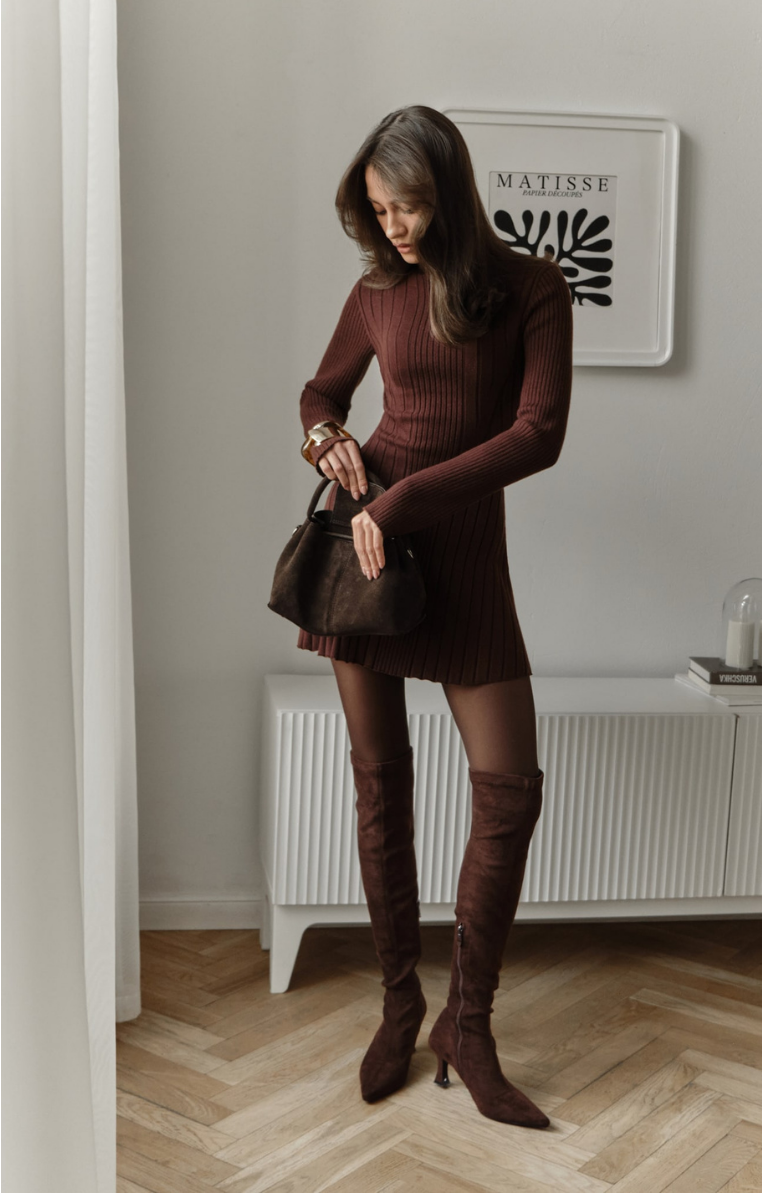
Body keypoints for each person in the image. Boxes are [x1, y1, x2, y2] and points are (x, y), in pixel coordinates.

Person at [294, 106, 573, 1130]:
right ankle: (400, 1004)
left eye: (407, 206)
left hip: (446, 542)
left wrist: (403, 499)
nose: (395, 226)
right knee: (381, 786)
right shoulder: (377, 291)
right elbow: (321, 391)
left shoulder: (532, 287)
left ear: (449, 191)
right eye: (378, 210)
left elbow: (538, 435)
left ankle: (470, 1025)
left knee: (510, 793)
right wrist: (328, 443)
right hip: (364, 546)